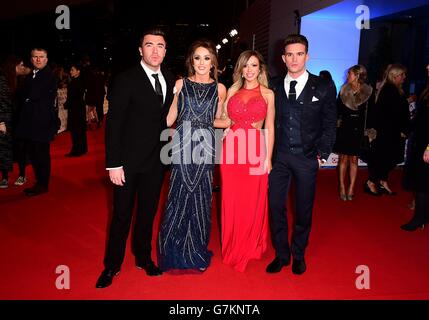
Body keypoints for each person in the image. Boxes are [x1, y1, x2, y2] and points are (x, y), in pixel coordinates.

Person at [96, 29, 175, 288]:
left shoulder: (170, 79)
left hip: (155, 161)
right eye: (149, 45)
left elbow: (165, 120)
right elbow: (114, 124)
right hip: (127, 163)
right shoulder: (126, 79)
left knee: (147, 213)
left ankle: (143, 258)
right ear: (140, 50)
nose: (155, 50)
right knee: (121, 215)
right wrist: (114, 164)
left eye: (160, 45)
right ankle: (112, 265)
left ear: (165, 50)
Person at [266, 34, 336, 275]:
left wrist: (321, 155)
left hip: (307, 157)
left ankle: (298, 253)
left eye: (299, 54)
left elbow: (329, 123)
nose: (294, 59)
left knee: (303, 209)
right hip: (279, 157)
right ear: (283, 58)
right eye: (289, 54)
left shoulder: (324, 85)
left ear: (307, 56)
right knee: (275, 206)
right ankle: (281, 254)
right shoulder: (273, 85)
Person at [157, 40, 226, 272]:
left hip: (206, 146)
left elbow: (219, 120)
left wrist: (238, 121)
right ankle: (171, 252)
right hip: (182, 144)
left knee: (201, 198)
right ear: (191, 61)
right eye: (197, 58)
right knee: (178, 196)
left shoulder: (220, 89)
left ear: (213, 62)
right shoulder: (180, 84)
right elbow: (169, 118)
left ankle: (195, 253)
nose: (202, 63)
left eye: (207, 58)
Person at [219, 50, 274, 272]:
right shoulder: (232, 91)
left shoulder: (268, 93)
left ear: (260, 69)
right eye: (245, 66)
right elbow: (224, 122)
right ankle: (233, 244)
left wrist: (268, 158)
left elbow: (269, 127)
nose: (249, 70)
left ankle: (251, 245)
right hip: (231, 151)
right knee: (231, 200)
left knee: (252, 200)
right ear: (240, 69)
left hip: (254, 150)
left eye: (254, 65)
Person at [15, 48, 58, 196]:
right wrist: (27, 96)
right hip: (31, 122)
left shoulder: (48, 76)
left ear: (46, 59)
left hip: (42, 123)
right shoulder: (31, 76)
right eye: (35, 57)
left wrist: (28, 96)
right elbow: (21, 95)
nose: (38, 59)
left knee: (41, 155)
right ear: (31, 59)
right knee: (34, 154)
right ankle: (40, 182)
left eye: (41, 57)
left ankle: (42, 184)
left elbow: (33, 94)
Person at [365, 64, 410, 195]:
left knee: (388, 158)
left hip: (391, 131)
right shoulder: (390, 89)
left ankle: (382, 181)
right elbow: (392, 112)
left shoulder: (395, 89)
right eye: (402, 75)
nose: (404, 77)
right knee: (382, 157)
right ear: (395, 76)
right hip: (387, 132)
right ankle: (372, 182)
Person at [333, 65, 375, 200]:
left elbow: (372, 113)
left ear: (357, 75)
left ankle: (351, 188)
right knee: (343, 158)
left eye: (349, 74)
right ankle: (342, 187)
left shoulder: (368, 92)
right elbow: (336, 110)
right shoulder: (343, 91)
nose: (347, 76)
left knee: (354, 159)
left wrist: (369, 131)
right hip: (345, 128)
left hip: (359, 129)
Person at [400, 64, 429, 231]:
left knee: (423, 184)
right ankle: (422, 217)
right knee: (421, 183)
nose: (426, 67)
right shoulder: (426, 88)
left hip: (426, 145)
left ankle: (420, 218)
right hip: (420, 141)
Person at [64, 63, 88, 156]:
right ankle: (82, 149)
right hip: (79, 108)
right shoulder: (79, 81)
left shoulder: (75, 82)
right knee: (80, 130)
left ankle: (76, 150)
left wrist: (67, 104)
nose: (70, 72)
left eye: (72, 70)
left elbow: (72, 97)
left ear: (78, 71)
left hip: (75, 109)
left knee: (75, 130)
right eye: (70, 70)